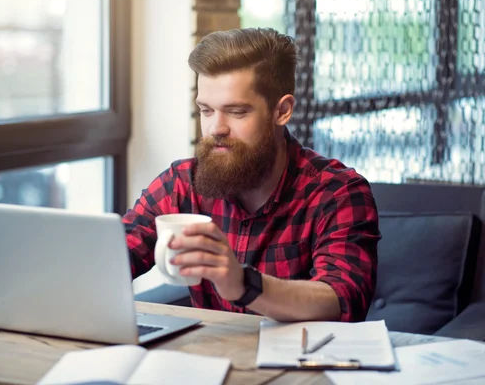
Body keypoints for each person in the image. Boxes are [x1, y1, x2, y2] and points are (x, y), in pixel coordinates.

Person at [123, 27, 380, 322]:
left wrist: (244, 284)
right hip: (207, 360)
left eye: (236, 111)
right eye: (206, 110)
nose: (215, 128)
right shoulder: (181, 183)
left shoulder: (337, 192)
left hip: (302, 363)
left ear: (281, 111)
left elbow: (343, 298)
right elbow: (117, 254)